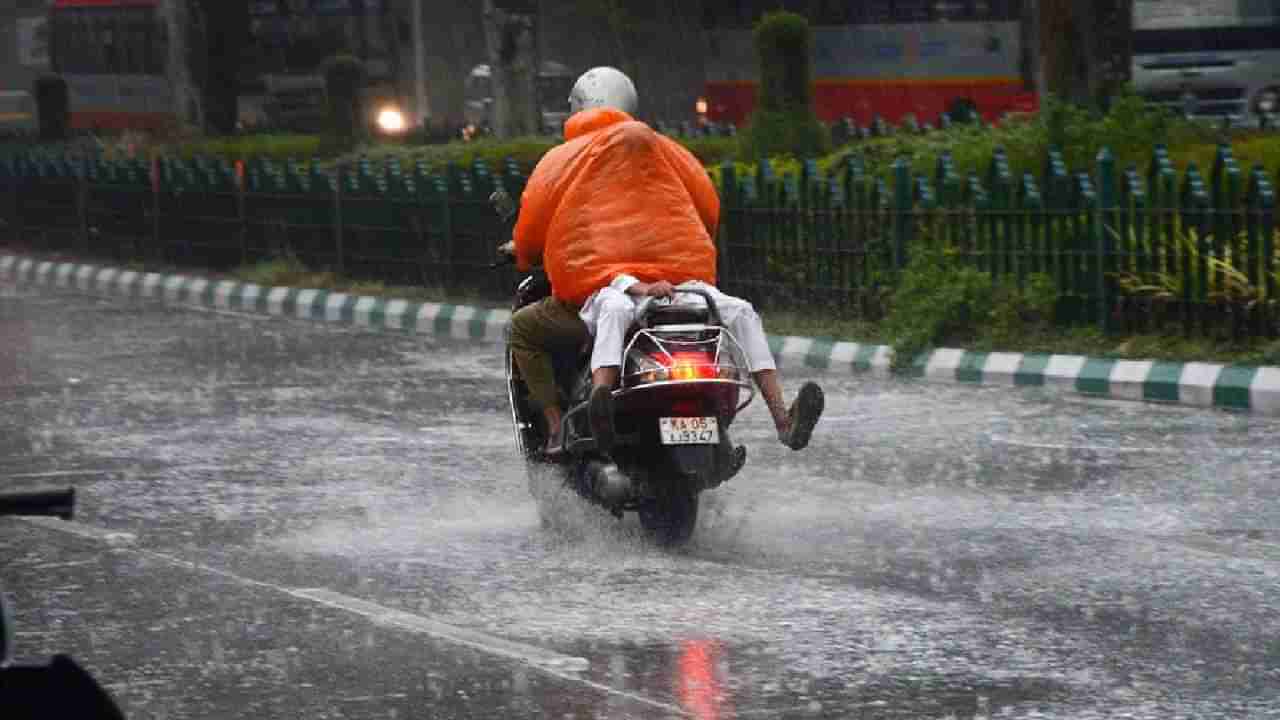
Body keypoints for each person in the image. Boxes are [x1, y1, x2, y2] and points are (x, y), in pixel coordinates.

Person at [502, 66, 823, 458]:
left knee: (527, 327)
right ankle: (782, 420)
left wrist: (521, 252)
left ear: (578, 109)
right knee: (741, 312)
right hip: (680, 287)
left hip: (613, 286)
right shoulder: (668, 150)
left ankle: (559, 425)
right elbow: (709, 208)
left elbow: (532, 224)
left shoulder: (563, 157)